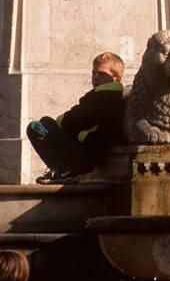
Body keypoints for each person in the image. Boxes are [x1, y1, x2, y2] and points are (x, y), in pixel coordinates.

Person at [27, 52, 126, 184]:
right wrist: (70, 127)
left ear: (116, 78)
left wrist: (69, 128)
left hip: (86, 154)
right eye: (93, 73)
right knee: (45, 121)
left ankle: (65, 170)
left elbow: (71, 120)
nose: (95, 77)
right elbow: (75, 120)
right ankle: (62, 170)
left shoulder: (105, 97)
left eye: (101, 74)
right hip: (83, 145)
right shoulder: (105, 94)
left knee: (35, 127)